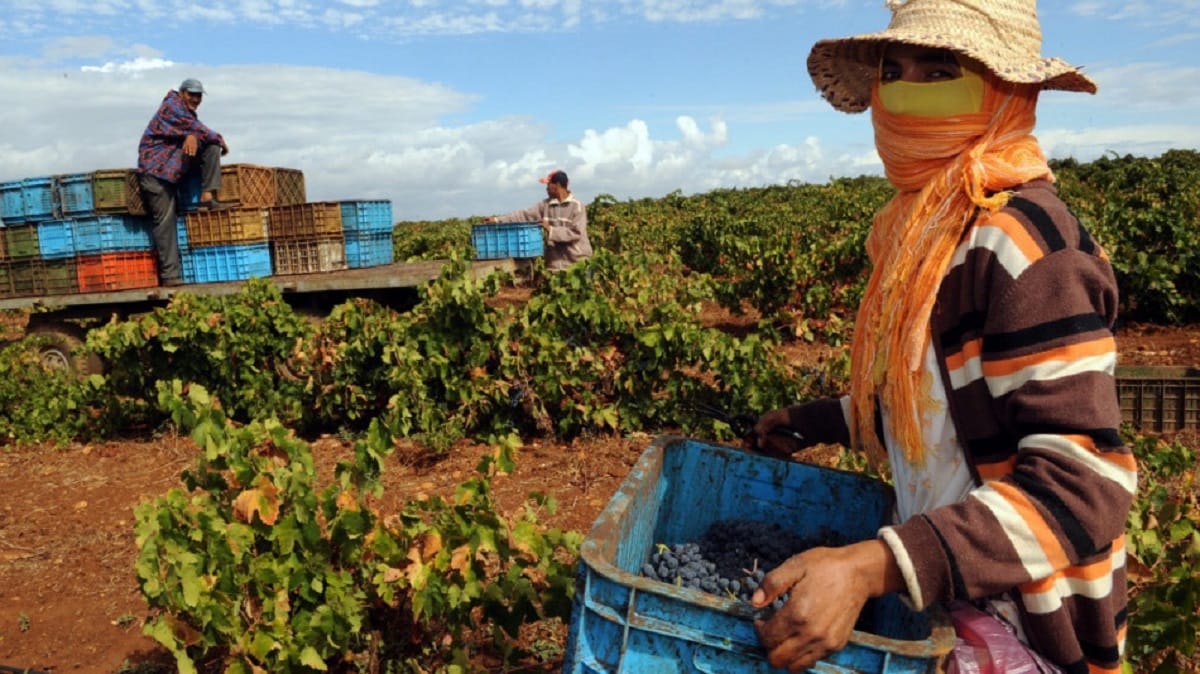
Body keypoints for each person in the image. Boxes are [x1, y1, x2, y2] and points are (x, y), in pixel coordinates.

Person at [746, 2, 1136, 673]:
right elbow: (939, 397)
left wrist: (878, 565)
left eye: (940, 72)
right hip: (953, 602)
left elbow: (1082, 484)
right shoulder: (930, 231)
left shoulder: (1022, 247)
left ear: (1005, 93)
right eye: (893, 72)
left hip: (1024, 625)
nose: (903, 95)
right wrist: (816, 421)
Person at [137, 77, 230, 286]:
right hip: (156, 174)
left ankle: (207, 194)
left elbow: (196, 131)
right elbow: (202, 130)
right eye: (192, 95)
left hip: (171, 173)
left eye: (199, 96)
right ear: (182, 93)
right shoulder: (172, 107)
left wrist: (193, 136)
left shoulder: (186, 115)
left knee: (210, 147)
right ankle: (170, 276)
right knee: (165, 223)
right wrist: (214, 138)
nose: (196, 99)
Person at [482, 169, 592, 271]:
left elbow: (576, 233)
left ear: (557, 185)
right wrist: (497, 220)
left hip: (578, 263)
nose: (546, 188)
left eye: (548, 185)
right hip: (555, 265)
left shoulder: (577, 207)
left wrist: (551, 229)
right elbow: (523, 215)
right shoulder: (545, 205)